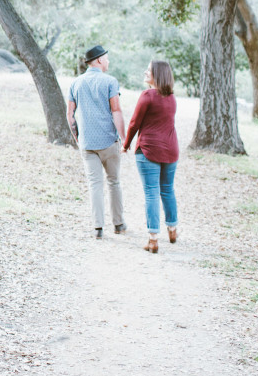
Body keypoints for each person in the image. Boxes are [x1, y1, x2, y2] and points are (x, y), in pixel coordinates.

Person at [68, 45, 125, 239]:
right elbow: (116, 111)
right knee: (114, 181)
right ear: (99, 60)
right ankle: (118, 224)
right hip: (108, 141)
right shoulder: (110, 82)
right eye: (107, 58)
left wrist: (78, 138)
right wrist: (123, 138)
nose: (108, 62)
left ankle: (98, 227)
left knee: (95, 184)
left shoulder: (75, 83)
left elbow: (70, 115)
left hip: (87, 143)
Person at [122, 60, 179, 254]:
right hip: (171, 151)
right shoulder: (171, 98)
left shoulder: (147, 96)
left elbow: (133, 123)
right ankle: (172, 229)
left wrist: (126, 144)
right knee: (167, 190)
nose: (146, 72)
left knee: (151, 192)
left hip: (149, 151)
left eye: (149, 70)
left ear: (158, 74)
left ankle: (153, 239)